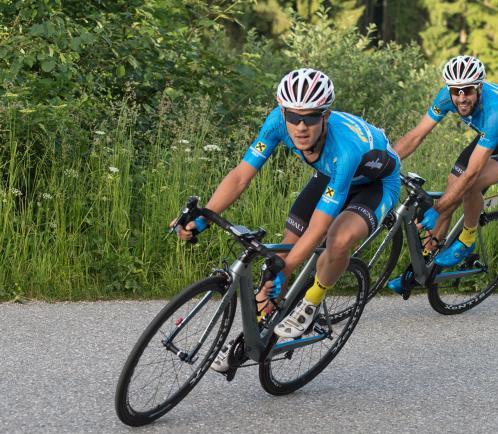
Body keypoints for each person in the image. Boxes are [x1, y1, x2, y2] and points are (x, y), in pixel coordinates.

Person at [172, 68, 401, 372]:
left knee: (337, 238)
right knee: (283, 253)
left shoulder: (345, 147)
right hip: (330, 175)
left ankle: (312, 299)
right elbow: (242, 175)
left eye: (310, 117)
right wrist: (205, 215)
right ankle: (255, 336)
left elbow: (320, 225)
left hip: (375, 183)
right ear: (283, 112)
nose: (300, 126)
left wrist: (287, 267)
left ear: (326, 116)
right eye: (293, 117)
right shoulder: (276, 122)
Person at [388, 55, 498, 291]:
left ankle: (467, 239)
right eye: (456, 91)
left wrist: (438, 208)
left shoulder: (495, 110)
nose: (461, 98)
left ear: (479, 87)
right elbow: (416, 135)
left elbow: (471, 174)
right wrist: (388, 164)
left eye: (467, 90)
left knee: (470, 184)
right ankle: (424, 268)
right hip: (491, 137)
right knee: (453, 186)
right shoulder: (447, 96)